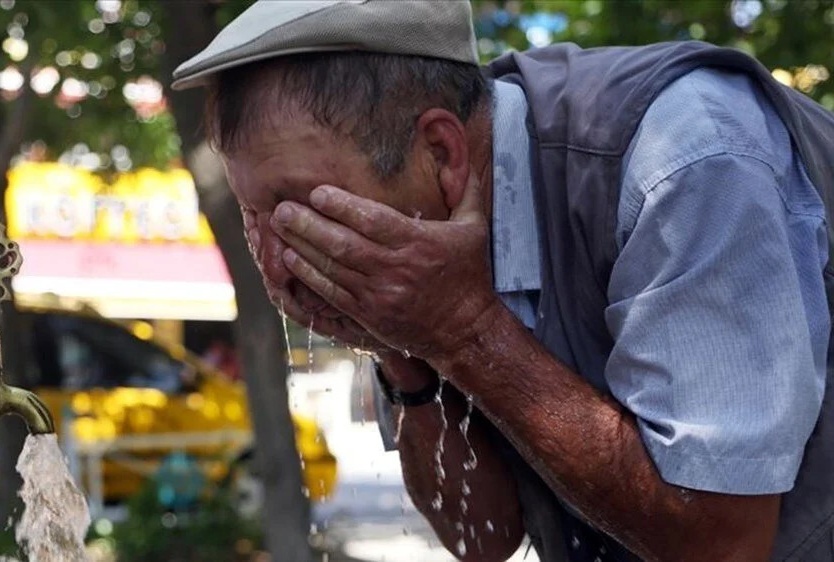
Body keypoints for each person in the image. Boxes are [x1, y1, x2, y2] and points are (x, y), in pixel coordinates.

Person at [171, 1, 834, 560]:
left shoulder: (687, 157)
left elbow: (724, 542)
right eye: (253, 213)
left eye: (302, 209)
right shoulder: (422, 252)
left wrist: (465, 331)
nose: (279, 258)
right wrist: (403, 351)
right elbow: (481, 538)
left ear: (442, 152)